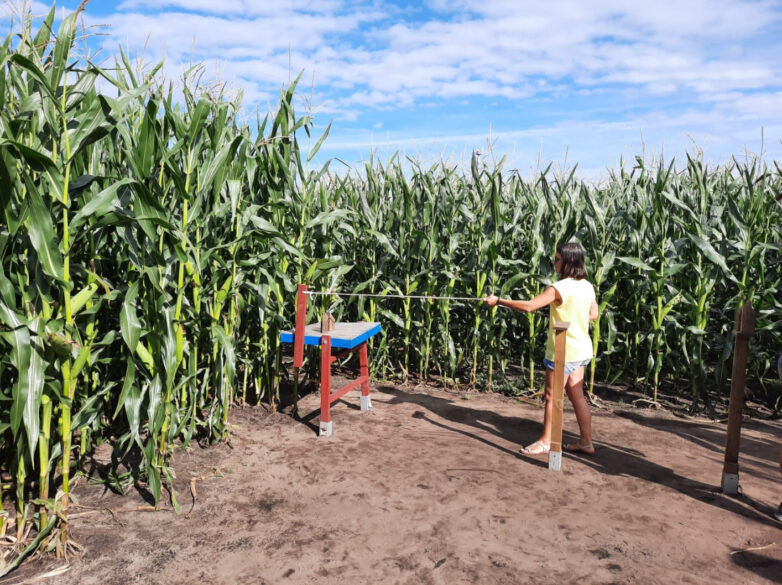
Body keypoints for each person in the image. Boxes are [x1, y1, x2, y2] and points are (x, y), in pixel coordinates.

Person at [484, 242, 598, 455]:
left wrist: (498, 301)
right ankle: (586, 442)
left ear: (568, 262)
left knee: (551, 396)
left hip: (564, 351)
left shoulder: (559, 288)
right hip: (582, 350)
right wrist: (568, 314)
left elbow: (529, 306)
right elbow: (593, 314)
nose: (554, 263)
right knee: (577, 395)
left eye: (557, 259)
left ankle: (546, 441)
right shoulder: (587, 286)